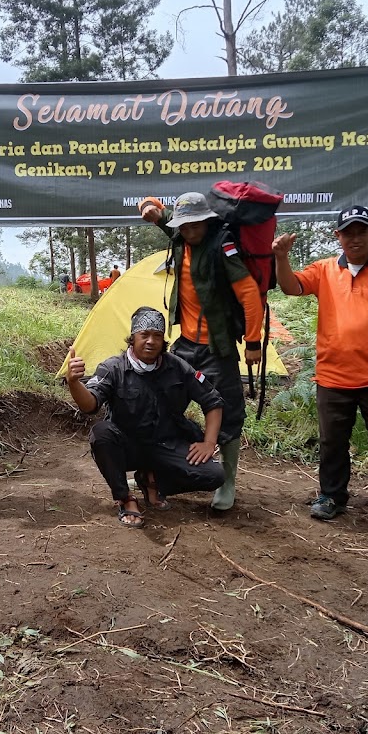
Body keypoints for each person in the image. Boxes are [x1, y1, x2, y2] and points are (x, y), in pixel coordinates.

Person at [272, 205, 368, 531]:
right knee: (332, 441)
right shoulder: (324, 270)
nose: (355, 238)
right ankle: (331, 496)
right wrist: (281, 258)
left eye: (361, 230)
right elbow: (291, 287)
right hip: (333, 376)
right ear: (337, 236)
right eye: (348, 232)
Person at [140, 192, 263, 510]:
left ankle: (228, 481)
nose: (189, 230)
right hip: (185, 343)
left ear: (206, 221)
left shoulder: (221, 245)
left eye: (195, 225)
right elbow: (158, 210)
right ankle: (157, 471)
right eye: (184, 225)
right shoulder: (181, 234)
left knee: (228, 412)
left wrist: (252, 342)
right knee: (161, 401)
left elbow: (249, 293)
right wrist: (149, 206)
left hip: (217, 346)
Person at [65, 307, 226, 528]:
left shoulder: (177, 366)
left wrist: (209, 442)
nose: (151, 341)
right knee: (101, 434)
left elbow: (212, 401)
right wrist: (74, 383)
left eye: (157, 335)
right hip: (128, 446)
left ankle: (153, 481)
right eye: (144, 335)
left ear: (163, 340)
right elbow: (90, 404)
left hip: (166, 445)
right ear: (132, 338)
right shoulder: (113, 368)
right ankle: (125, 498)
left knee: (214, 475)